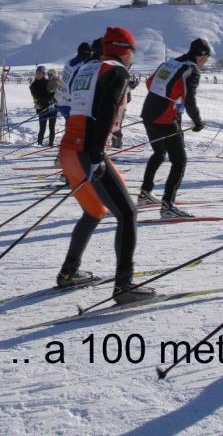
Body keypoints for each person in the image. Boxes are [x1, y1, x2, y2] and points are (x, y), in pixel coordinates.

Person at [56, 26, 154, 304]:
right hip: (87, 151)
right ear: (125, 50)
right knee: (127, 213)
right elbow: (105, 110)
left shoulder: (87, 68)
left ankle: (68, 273)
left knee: (94, 210)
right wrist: (97, 154)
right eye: (132, 52)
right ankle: (124, 285)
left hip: (69, 150)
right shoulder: (117, 71)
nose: (132, 59)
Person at [138, 38, 210, 218]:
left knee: (159, 152)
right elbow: (190, 99)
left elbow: (149, 83)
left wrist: (169, 97)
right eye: (206, 57)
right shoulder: (191, 69)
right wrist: (197, 121)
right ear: (200, 55)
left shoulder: (170, 62)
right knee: (179, 161)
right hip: (164, 118)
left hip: (148, 112)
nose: (206, 61)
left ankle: (145, 193)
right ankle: (168, 205)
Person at [56, 42, 93, 120]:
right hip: (69, 103)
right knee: (75, 128)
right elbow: (72, 86)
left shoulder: (68, 62)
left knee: (70, 127)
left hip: (61, 99)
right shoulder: (81, 67)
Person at [30, 65, 58, 146]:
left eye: (40, 73)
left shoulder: (48, 82)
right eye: (37, 72)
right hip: (42, 109)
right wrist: (49, 97)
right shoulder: (33, 85)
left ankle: (51, 144)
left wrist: (53, 97)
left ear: (43, 73)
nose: (38, 74)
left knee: (52, 128)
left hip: (52, 108)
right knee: (42, 128)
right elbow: (38, 96)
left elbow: (54, 94)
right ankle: (39, 144)